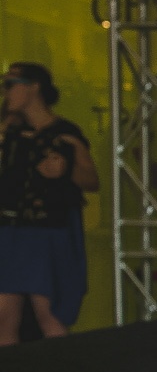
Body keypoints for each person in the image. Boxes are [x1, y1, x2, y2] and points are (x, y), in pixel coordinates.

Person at [0, 61, 96, 342]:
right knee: (5, 316)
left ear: (34, 87)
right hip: (10, 227)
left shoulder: (64, 133)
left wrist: (65, 170)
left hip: (44, 230)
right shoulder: (10, 135)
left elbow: (92, 181)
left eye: (11, 85)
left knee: (49, 314)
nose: (6, 92)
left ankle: (61, 367)